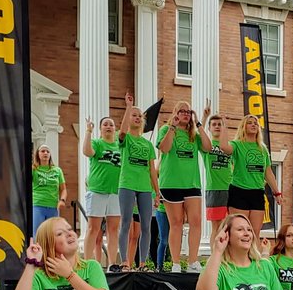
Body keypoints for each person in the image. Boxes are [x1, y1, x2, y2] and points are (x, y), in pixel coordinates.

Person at [157, 99, 211, 272]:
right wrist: (172, 128)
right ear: (175, 113)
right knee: (176, 223)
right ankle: (176, 263)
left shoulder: (193, 135)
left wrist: (200, 123)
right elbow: (164, 149)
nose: (186, 114)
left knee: (195, 221)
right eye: (182, 111)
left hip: (192, 183)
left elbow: (208, 148)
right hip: (171, 183)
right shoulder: (166, 129)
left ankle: (193, 261)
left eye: (188, 112)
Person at [218, 115, 283, 240]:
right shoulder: (237, 144)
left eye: (256, 123)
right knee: (239, 231)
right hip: (239, 191)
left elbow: (268, 172)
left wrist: (277, 192)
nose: (254, 125)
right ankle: (234, 258)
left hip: (257, 192)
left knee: (254, 233)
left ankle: (252, 259)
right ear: (243, 126)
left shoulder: (262, 149)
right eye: (250, 123)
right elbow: (224, 148)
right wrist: (224, 128)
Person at [118, 91, 159, 269]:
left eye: (139, 116)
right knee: (126, 222)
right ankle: (125, 261)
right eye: (133, 115)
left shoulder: (148, 144)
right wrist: (128, 107)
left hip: (144, 188)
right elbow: (121, 132)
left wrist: (157, 192)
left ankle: (142, 262)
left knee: (146, 226)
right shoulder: (126, 139)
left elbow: (151, 169)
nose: (136, 117)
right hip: (127, 184)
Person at [82, 116, 121, 267]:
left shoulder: (119, 146)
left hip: (115, 192)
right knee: (93, 228)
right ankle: (86, 263)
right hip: (97, 190)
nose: (108, 127)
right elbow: (87, 151)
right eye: (105, 124)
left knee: (113, 228)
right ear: (101, 129)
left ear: (115, 129)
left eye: (111, 124)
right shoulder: (97, 143)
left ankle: (112, 264)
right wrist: (88, 131)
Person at [201, 107, 233, 246]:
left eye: (220, 124)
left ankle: (229, 257)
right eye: (214, 124)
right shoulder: (207, 145)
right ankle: (215, 255)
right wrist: (204, 117)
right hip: (214, 189)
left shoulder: (230, 146)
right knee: (217, 226)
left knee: (231, 225)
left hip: (231, 189)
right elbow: (198, 135)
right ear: (209, 128)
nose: (217, 126)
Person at [31, 144, 67, 233]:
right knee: (38, 233)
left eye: (47, 151)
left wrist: (62, 200)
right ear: (38, 154)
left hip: (53, 206)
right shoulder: (34, 169)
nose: (45, 153)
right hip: (37, 204)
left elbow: (63, 189)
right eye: (42, 151)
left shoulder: (57, 170)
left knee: (52, 234)